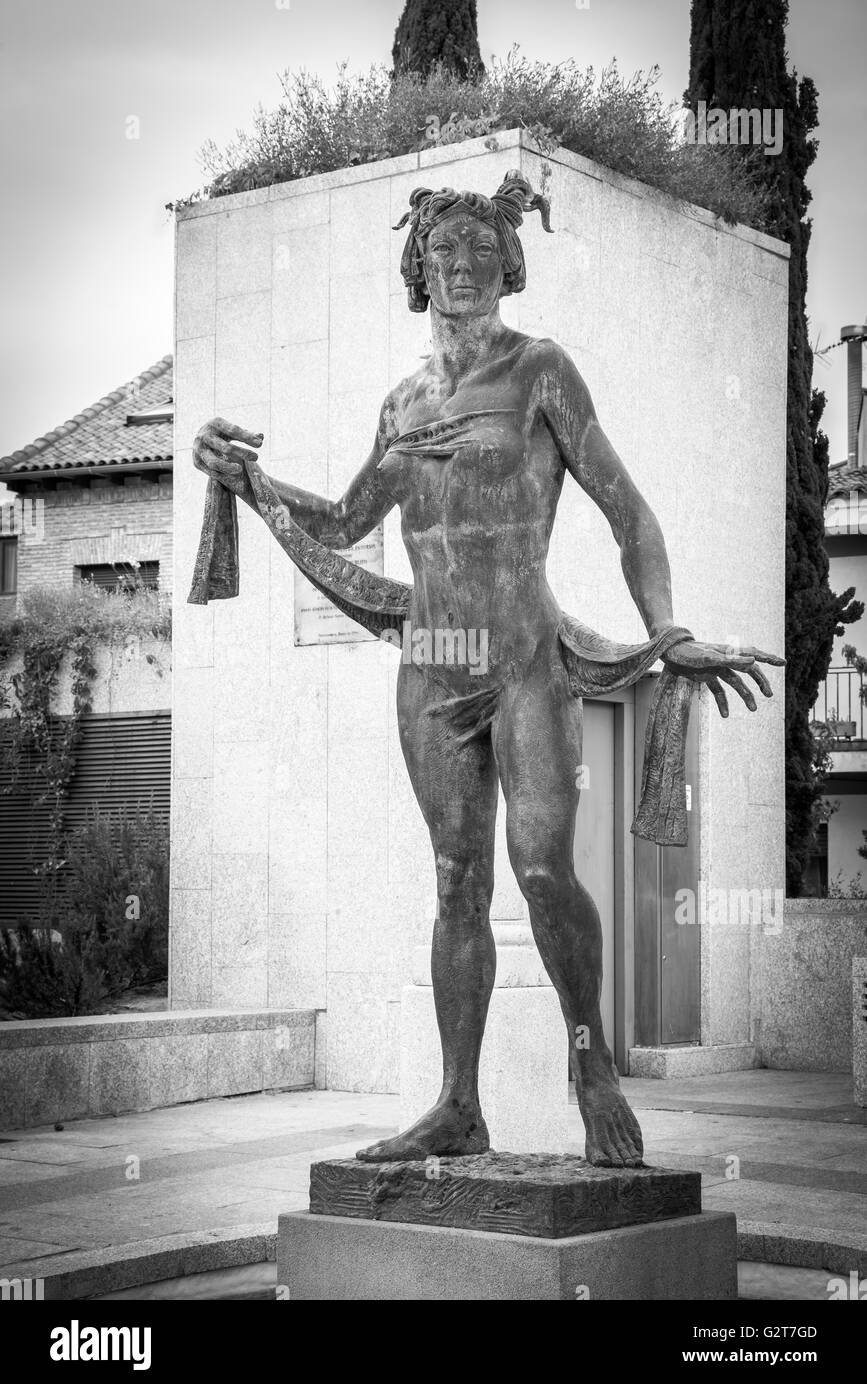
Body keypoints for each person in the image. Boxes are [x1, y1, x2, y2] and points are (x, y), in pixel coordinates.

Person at [192, 171, 781, 1166]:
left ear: (508, 264)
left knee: (544, 868)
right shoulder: (404, 401)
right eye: (441, 252)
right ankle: (458, 1104)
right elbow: (341, 523)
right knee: (455, 881)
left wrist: (666, 627)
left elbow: (629, 511)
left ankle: (589, 1063)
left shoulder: (540, 370)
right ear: (417, 271)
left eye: (477, 250)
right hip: (430, 669)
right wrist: (243, 478)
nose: (459, 265)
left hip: (521, 660)